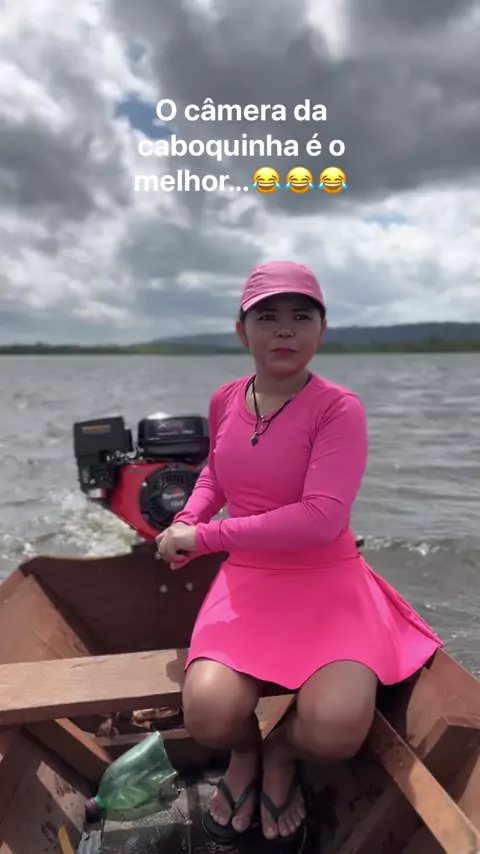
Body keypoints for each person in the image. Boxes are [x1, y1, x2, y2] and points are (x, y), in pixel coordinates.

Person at [155, 260, 443, 846]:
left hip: (327, 581)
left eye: (300, 317)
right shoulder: (226, 398)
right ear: (243, 332)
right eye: (267, 317)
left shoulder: (339, 408)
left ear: (322, 330)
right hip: (249, 581)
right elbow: (216, 473)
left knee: (336, 729)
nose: (284, 329)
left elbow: (321, 518)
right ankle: (247, 752)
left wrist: (205, 538)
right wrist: (187, 517)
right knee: (208, 714)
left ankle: (282, 753)